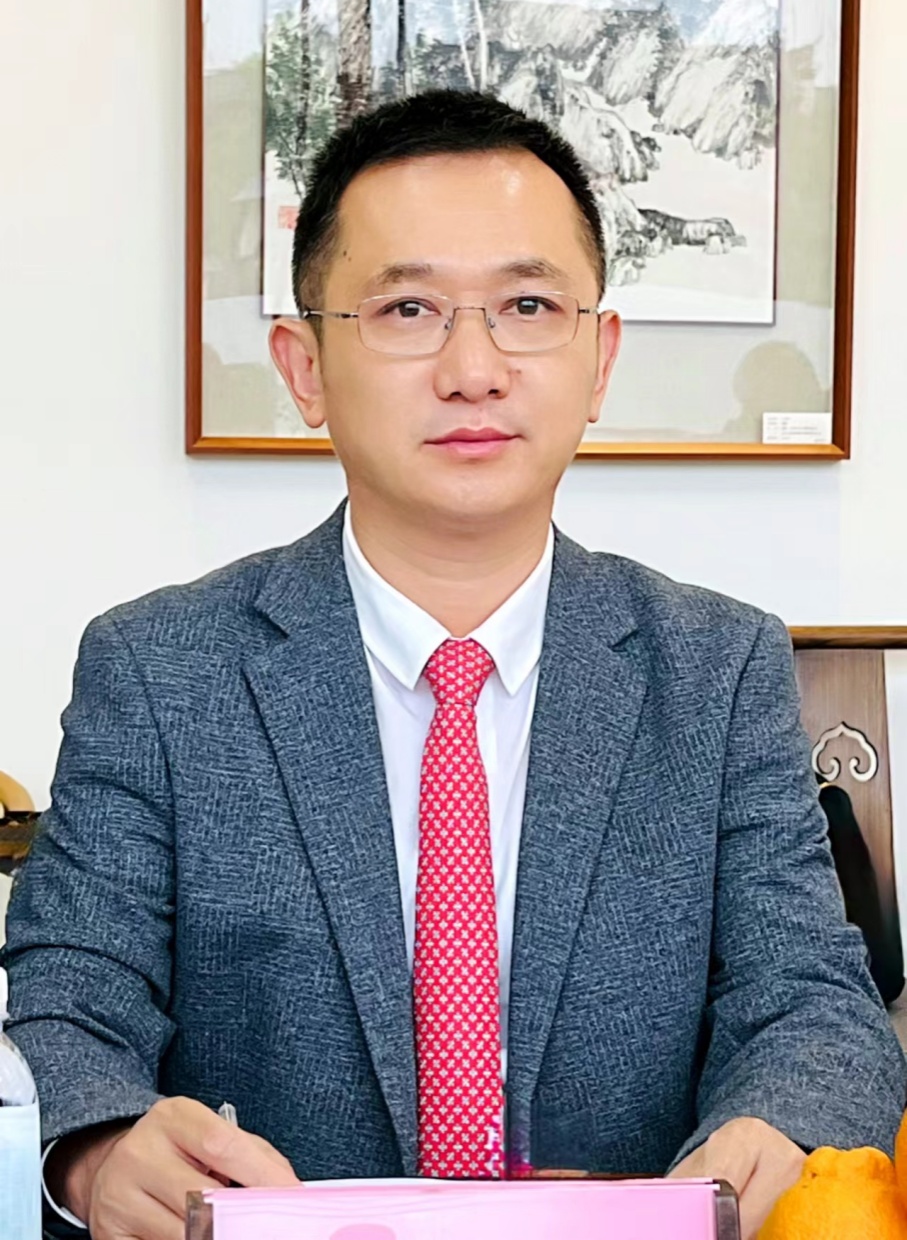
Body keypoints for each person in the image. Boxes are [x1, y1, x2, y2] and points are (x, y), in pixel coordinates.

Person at [2, 89, 904, 1240]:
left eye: (527, 305)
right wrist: (95, 1153)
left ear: (598, 358)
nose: (472, 368)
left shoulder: (717, 668)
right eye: (407, 308)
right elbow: (66, 1000)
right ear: (303, 366)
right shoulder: (158, 669)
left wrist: (772, 1129)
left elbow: (814, 1003)